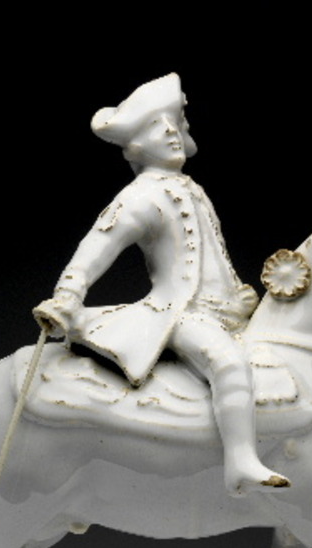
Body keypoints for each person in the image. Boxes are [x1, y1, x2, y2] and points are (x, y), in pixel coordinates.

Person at [34, 73, 289, 497]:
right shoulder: (140, 197)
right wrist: (68, 295)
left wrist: (237, 292)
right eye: (156, 126)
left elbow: (212, 256)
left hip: (226, 310)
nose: (171, 132)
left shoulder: (193, 189)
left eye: (175, 122)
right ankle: (241, 462)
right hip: (182, 313)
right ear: (134, 144)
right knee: (226, 361)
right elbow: (97, 246)